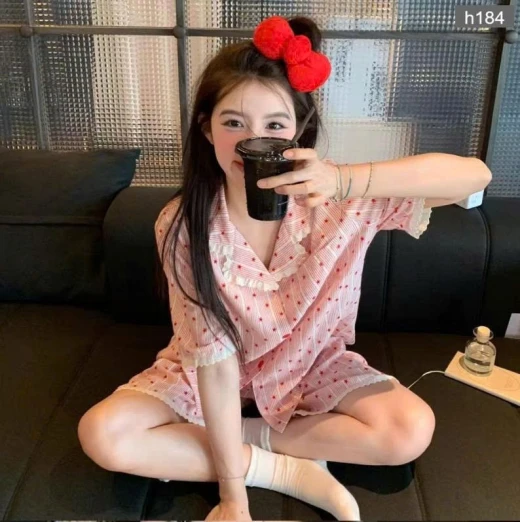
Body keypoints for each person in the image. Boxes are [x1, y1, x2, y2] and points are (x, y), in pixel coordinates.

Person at [77, 15, 492, 522]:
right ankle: (282, 469)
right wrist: (233, 496)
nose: (253, 141)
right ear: (206, 128)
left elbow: (474, 177)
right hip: (210, 374)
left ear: (298, 131)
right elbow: (214, 365)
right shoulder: (183, 224)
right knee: (103, 434)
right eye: (233, 123)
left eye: (274, 126)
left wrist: (344, 180)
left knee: (409, 430)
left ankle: (241, 443)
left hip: (311, 367)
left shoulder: (337, 201)